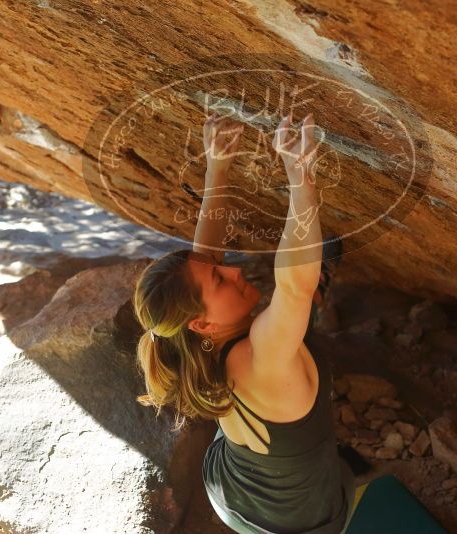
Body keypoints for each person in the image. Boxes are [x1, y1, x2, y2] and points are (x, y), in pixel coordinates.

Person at [132, 110, 357, 533]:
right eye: (221, 277)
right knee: (291, 316)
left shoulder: (196, 343)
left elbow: (205, 260)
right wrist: (300, 180)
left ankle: (322, 278)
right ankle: (322, 276)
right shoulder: (260, 358)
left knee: (289, 327)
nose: (235, 270)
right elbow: (293, 287)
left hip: (230, 484)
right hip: (296, 520)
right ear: (202, 323)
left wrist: (218, 166)